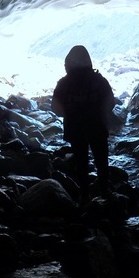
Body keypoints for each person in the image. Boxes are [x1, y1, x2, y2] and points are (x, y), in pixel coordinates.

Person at [52, 45, 116, 202]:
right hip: (97, 126)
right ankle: (104, 191)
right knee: (101, 160)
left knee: (81, 162)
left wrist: (70, 113)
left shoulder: (64, 84)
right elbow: (111, 103)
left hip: (75, 128)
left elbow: (55, 107)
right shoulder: (99, 81)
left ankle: (84, 195)